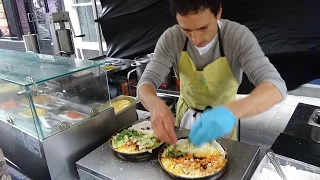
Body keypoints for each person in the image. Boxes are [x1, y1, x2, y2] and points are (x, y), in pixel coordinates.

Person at [137, 0, 287, 146]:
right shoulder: (171, 38)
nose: (196, 40)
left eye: (203, 28)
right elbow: (146, 82)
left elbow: (276, 86)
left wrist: (232, 111)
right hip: (186, 119)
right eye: (187, 30)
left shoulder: (237, 37)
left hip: (222, 124)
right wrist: (154, 104)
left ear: (218, 12)